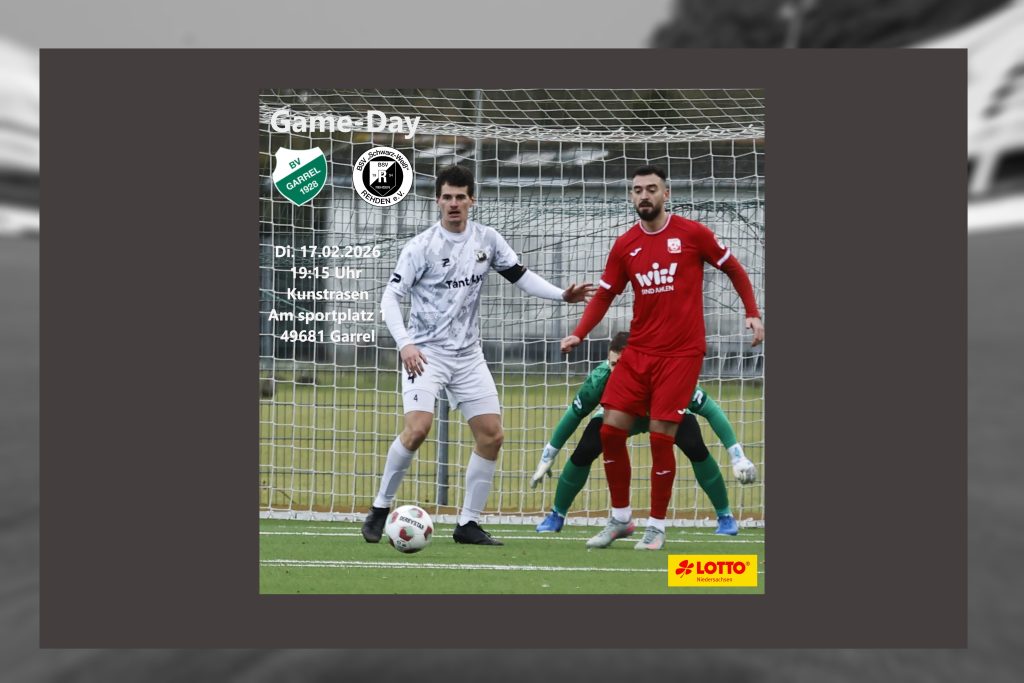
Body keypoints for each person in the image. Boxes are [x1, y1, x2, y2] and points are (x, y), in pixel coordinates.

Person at [362, 164, 594, 546]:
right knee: (417, 429)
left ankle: (468, 524)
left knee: (492, 435)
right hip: (425, 353)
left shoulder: (488, 239)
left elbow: (520, 276)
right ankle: (380, 508)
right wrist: (405, 343)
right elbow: (390, 298)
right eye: (447, 197)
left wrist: (561, 295)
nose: (453, 204)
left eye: (460, 197)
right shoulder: (421, 247)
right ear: (438, 201)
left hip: (468, 355)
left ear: (472, 200)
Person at [561, 165, 764, 550]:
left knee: (660, 437)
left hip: (681, 354)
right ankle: (621, 518)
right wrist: (579, 332)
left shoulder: (692, 234)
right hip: (639, 351)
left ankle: (656, 526)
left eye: (651, 189)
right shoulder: (625, 244)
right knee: (609, 430)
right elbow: (605, 294)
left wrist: (752, 312)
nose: (644, 195)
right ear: (631, 196)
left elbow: (734, 269)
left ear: (666, 194)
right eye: (637, 190)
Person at [530, 331, 757, 536]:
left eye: (622, 364)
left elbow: (711, 410)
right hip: (620, 417)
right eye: (612, 364)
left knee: (694, 445)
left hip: (663, 415)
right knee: (586, 448)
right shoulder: (601, 378)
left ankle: (725, 516)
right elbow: (574, 413)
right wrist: (549, 454)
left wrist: (737, 456)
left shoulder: (667, 376)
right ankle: (557, 514)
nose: (616, 370)